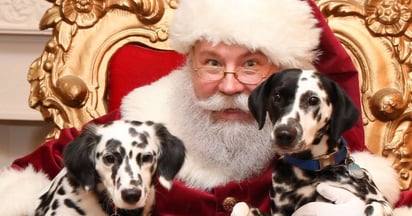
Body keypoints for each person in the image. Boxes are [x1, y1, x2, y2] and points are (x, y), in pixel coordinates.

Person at [1, 0, 412, 215]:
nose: (229, 86)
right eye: (212, 62)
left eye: (251, 64)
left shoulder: (317, 147)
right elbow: (27, 181)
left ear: (282, 74)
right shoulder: (138, 123)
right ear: (188, 63)